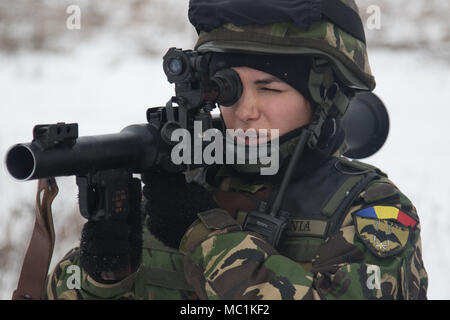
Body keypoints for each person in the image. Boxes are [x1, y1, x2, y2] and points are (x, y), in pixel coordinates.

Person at [46, 0, 428, 300]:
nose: (246, 111)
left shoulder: (374, 210)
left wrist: (203, 234)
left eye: (271, 89)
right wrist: (104, 277)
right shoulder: (183, 183)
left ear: (325, 97)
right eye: (228, 89)